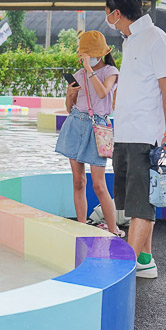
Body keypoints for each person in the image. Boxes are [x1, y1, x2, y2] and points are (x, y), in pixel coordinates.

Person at [105, 0, 166, 279]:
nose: (107, 17)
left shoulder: (156, 39)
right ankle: (145, 259)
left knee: (141, 207)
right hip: (125, 134)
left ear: (118, 13)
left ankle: (123, 274)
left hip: (144, 136)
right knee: (131, 205)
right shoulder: (130, 40)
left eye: (108, 12)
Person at [54, 31, 122, 237]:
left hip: (98, 127)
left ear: (101, 53)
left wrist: (89, 70)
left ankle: (113, 228)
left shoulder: (110, 71)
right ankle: (82, 225)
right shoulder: (78, 74)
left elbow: (103, 93)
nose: (88, 57)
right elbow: (69, 108)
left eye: (91, 54)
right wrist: (69, 94)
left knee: (99, 184)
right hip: (76, 123)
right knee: (78, 180)